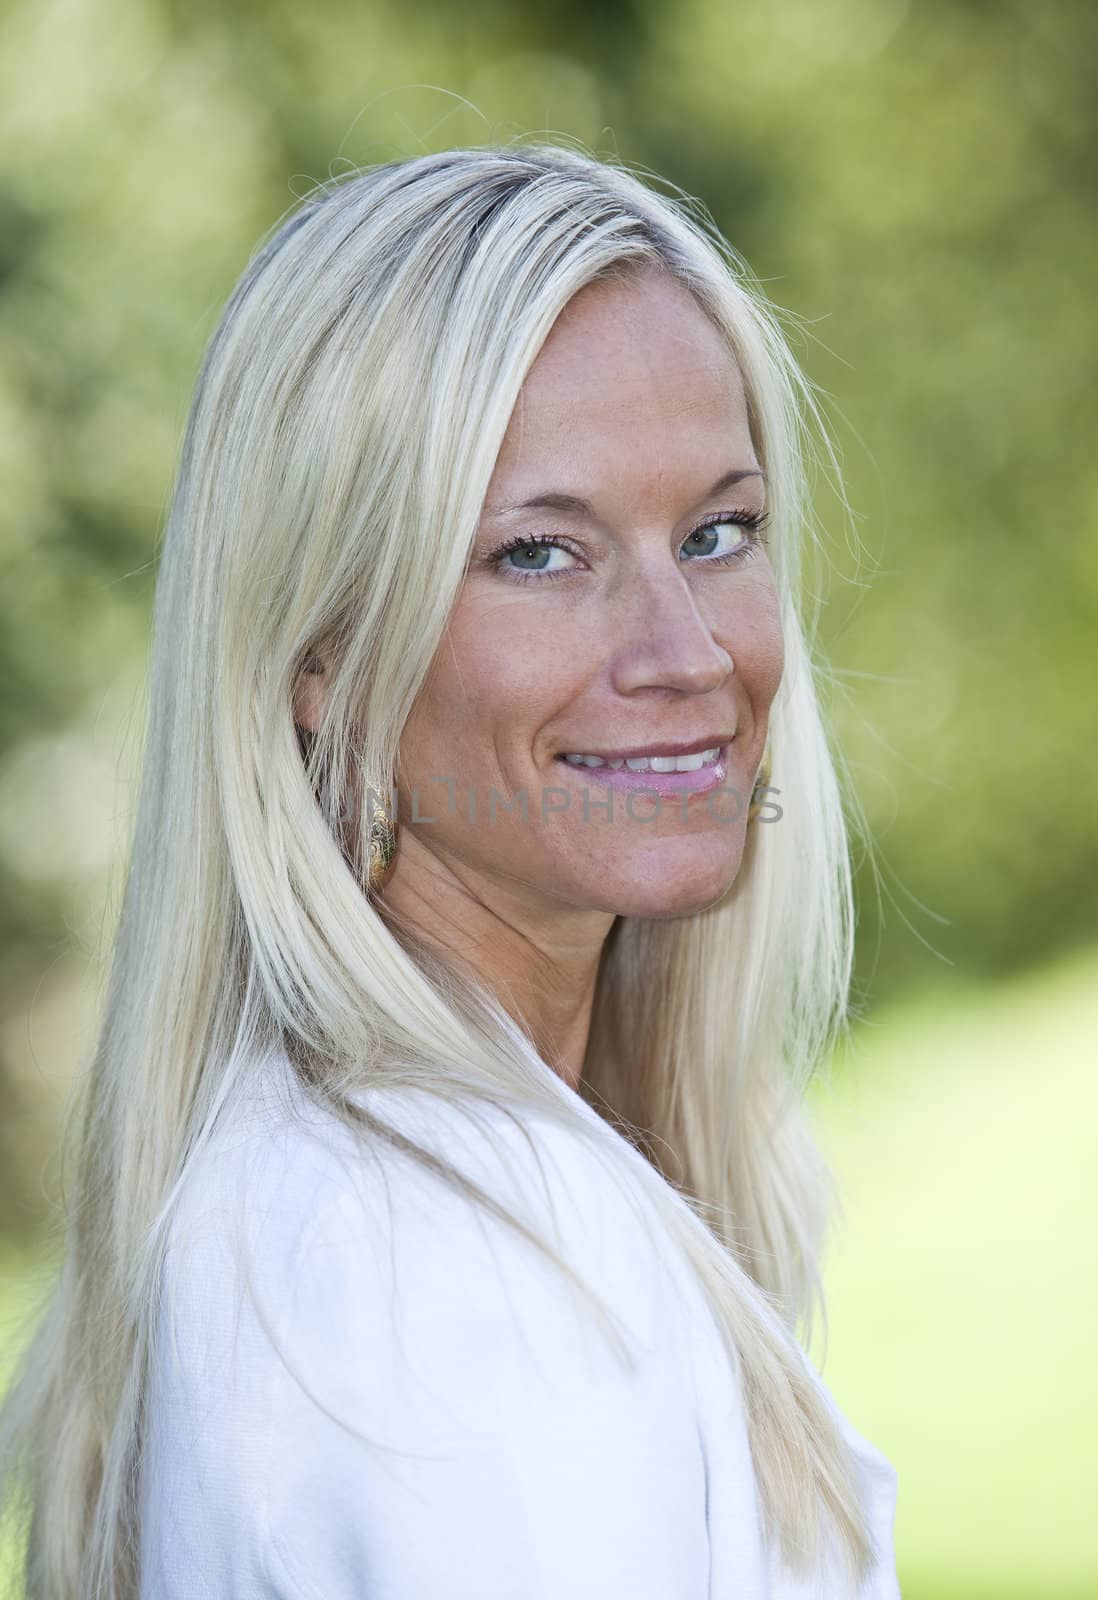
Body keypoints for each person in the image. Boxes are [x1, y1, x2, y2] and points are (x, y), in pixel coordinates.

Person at [0, 142, 901, 1598]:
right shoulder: (476, 1273)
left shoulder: (324, 1185)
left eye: (716, 532)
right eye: (541, 555)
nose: (687, 653)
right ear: (321, 653)